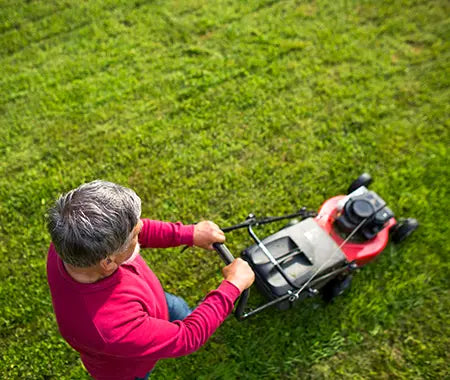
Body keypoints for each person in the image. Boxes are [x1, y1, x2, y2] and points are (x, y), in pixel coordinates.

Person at [46, 180, 255, 380]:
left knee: (177, 308)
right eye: (136, 234)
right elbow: (188, 337)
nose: (142, 231)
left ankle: (184, 314)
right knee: (185, 324)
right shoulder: (109, 329)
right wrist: (232, 286)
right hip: (129, 369)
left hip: (152, 301)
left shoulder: (70, 241)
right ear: (108, 262)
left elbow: (132, 229)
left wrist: (188, 233)